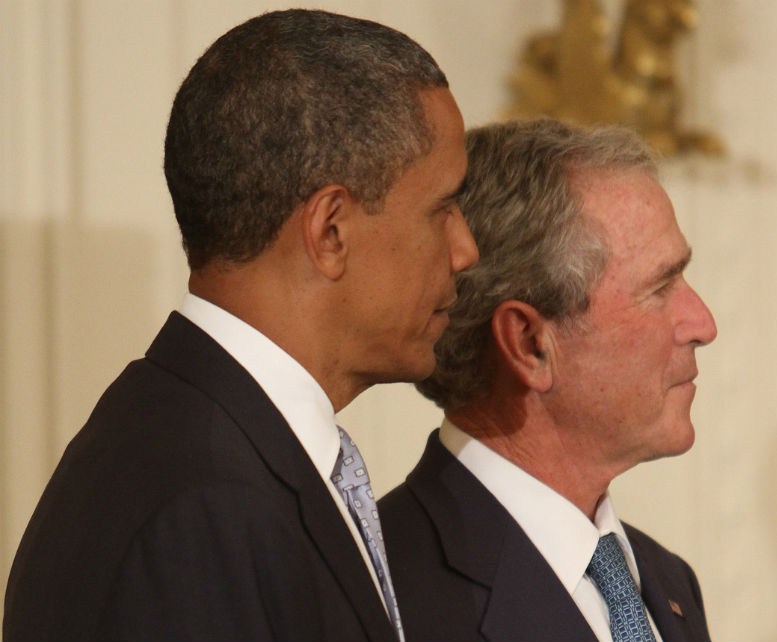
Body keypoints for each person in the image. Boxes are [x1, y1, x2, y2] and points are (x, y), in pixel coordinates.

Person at [3, 9, 477, 642]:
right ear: (330, 230)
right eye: (441, 209)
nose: (465, 248)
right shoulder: (205, 510)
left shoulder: (188, 445)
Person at [379, 119, 717, 642]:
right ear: (529, 343)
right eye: (660, 288)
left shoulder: (667, 580)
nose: (703, 324)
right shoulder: (384, 594)